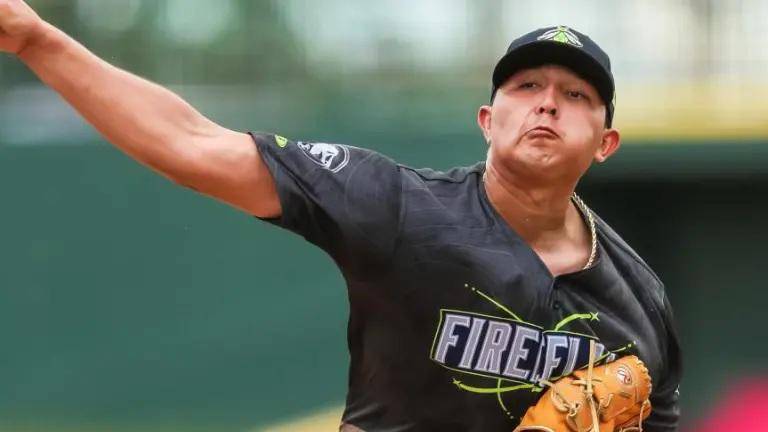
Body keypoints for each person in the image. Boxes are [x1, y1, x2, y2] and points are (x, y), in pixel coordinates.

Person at [0, 1, 681, 430]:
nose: (547, 102)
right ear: (487, 119)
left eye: (576, 94)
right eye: (526, 85)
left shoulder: (639, 303)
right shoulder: (400, 207)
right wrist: (35, 39)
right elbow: (191, 144)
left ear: (606, 142)